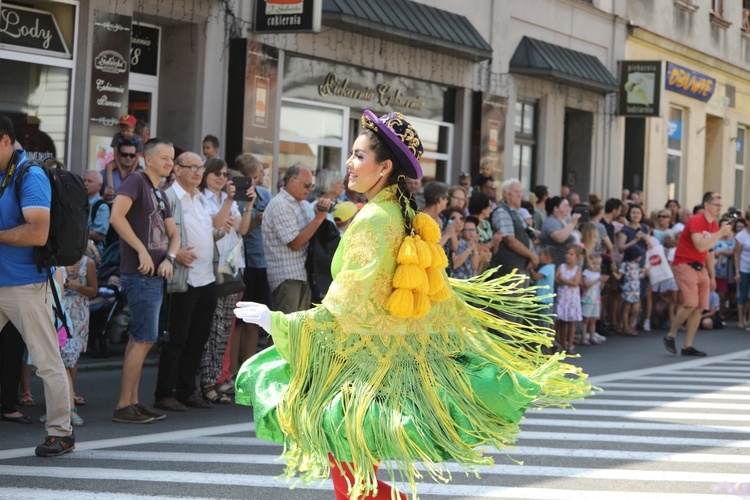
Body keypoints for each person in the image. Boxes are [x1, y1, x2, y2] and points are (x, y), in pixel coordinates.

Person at [233, 110, 591, 500]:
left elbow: (351, 306)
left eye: (359, 156)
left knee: (353, 484)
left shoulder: (374, 219)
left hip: (360, 368)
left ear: (384, 166)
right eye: (351, 154)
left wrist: (281, 322)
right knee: (353, 480)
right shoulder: (401, 216)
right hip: (379, 364)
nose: (350, 164)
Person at [0, 114, 74, 455]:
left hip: (25, 285)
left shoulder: (30, 176)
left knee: (46, 361)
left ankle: (61, 432)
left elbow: (38, 231)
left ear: (5, 141)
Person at [109, 137, 180, 423]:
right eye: (164, 157)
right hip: (139, 274)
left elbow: (174, 236)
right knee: (144, 338)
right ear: (147, 159)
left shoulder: (160, 193)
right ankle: (124, 406)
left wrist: (169, 258)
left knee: (140, 338)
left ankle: (133, 402)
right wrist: (141, 250)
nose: (169, 163)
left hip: (154, 274)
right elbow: (116, 217)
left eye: (172, 158)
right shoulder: (136, 180)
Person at [156, 152, 228, 412]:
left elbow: (206, 232)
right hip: (182, 279)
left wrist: (217, 234)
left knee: (198, 338)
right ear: (177, 169)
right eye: (192, 168)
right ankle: (165, 392)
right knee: (176, 339)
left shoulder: (198, 198)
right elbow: (156, 233)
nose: (198, 172)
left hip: (206, 277)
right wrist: (174, 253)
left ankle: (187, 390)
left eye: (200, 168)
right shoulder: (169, 197)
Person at [198, 157, 253, 404]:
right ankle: (208, 379)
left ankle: (220, 377)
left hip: (230, 263)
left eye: (223, 174)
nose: (220, 178)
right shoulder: (203, 197)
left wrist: (248, 205)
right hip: (210, 266)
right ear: (205, 174)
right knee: (211, 327)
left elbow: (242, 229)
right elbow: (213, 225)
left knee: (225, 328)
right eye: (216, 173)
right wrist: (230, 201)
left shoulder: (224, 198)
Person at [664, 192, 733, 357]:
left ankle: (687, 345)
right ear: (707, 205)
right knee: (690, 304)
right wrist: (720, 233)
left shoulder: (714, 225)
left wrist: (712, 276)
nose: (719, 208)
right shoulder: (696, 221)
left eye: (720, 205)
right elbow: (700, 245)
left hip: (700, 267)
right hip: (684, 264)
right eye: (716, 205)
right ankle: (671, 335)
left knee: (700, 308)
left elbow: (709, 251)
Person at [262, 164, 332, 316]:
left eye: (312, 185)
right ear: (292, 181)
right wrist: (318, 219)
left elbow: (307, 235)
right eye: (306, 185)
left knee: (298, 333)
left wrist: (317, 216)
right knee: (286, 332)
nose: (309, 189)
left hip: (300, 275)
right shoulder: (281, 204)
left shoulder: (297, 202)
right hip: (287, 278)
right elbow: (295, 243)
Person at [490, 178, 537, 279]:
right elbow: (510, 241)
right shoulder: (502, 211)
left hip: (521, 267)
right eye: (516, 192)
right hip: (509, 270)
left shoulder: (516, 212)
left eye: (520, 192)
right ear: (505, 193)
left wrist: (532, 255)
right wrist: (532, 256)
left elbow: (527, 235)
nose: (519, 195)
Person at [555, 244, 583, 353]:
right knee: (562, 322)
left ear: (577, 257)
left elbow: (575, 283)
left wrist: (563, 279)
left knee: (571, 323)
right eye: (567, 253)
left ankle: (570, 344)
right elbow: (556, 279)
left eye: (571, 254)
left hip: (572, 299)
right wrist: (568, 281)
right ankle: (562, 343)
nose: (568, 256)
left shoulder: (578, 269)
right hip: (563, 297)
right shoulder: (561, 267)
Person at [540, 196, 581, 266]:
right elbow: (559, 238)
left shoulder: (562, 221)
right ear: (556, 208)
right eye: (565, 206)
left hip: (565, 264)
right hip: (555, 263)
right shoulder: (551, 221)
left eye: (568, 206)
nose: (568, 209)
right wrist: (572, 223)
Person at [581, 253, 608, 345]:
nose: (596, 266)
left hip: (596, 299)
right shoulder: (586, 273)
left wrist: (603, 282)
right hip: (588, 299)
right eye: (594, 263)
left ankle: (592, 336)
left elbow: (599, 288)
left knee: (593, 320)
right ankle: (584, 337)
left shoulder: (597, 274)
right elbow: (586, 285)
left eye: (598, 264)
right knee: (586, 320)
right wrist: (598, 280)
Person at [83, 171, 110, 255]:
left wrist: (78, 232)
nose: (85, 183)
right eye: (84, 180)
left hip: (95, 252)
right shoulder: (79, 202)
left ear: (99, 186)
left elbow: (99, 235)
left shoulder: (102, 206)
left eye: (89, 181)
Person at [734, 212, 750, 329]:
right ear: (747, 221)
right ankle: (741, 320)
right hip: (744, 268)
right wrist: (737, 272)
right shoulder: (741, 235)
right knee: (743, 294)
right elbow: (736, 254)